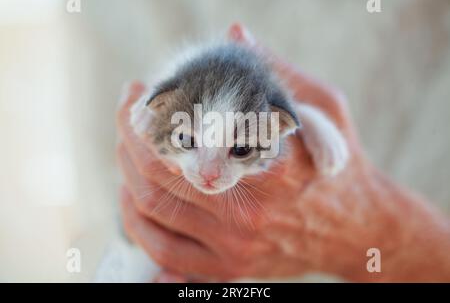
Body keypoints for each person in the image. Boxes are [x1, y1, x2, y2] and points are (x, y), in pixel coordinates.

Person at [116, 24, 450, 282]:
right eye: (190, 142)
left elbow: (285, 113)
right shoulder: (179, 82)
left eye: (240, 149)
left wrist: (312, 123)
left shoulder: (273, 111)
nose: (209, 175)